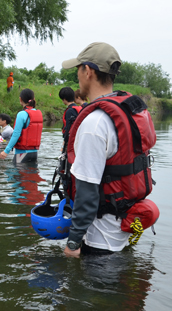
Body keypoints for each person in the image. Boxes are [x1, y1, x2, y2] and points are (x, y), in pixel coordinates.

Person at [60, 42, 157, 257]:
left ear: (88, 71)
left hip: (99, 241)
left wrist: (73, 244)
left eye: (78, 69)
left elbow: (87, 192)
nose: (77, 75)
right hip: (123, 231)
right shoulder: (129, 110)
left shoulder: (94, 123)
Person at [0, 88, 43, 164]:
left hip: (22, 153)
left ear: (20, 99)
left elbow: (16, 134)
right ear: (33, 99)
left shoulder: (21, 114)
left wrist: (6, 151)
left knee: (15, 175)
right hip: (34, 154)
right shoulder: (38, 113)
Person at [59, 86, 82, 152]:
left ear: (64, 99)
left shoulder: (70, 111)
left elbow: (68, 129)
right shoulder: (78, 108)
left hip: (70, 142)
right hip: (78, 140)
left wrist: (63, 146)